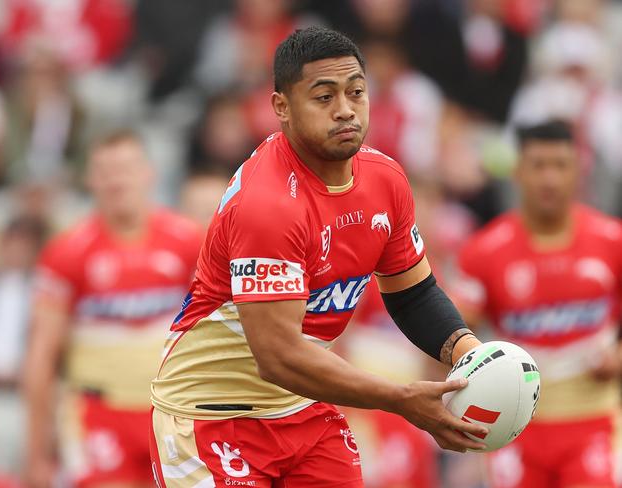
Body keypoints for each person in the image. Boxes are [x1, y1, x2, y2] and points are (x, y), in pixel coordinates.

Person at [150, 26, 488, 488]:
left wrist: (471, 354)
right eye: (324, 97)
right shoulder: (268, 204)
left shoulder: (385, 179)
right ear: (281, 108)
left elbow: (413, 293)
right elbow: (280, 357)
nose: (346, 109)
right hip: (213, 416)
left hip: (303, 409)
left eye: (356, 92)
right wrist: (403, 398)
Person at [23, 130, 203, 488]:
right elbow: (41, 355)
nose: (116, 180)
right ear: (90, 180)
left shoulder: (189, 241)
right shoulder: (67, 252)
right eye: (105, 171)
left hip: (172, 414)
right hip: (98, 415)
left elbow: (216, 330)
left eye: (125, 168)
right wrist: (37, 452)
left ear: (148, 173)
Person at [453, 120, 622, 488]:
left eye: (560, 166)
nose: (550, 179)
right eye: (538, 165)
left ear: (578, 171)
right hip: (514, 424)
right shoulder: (484, 251)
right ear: (517, 171)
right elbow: (451, 334)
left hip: (594, 419)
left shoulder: (613, 242)